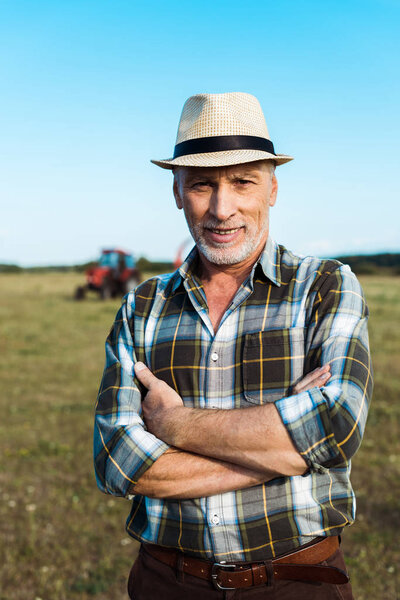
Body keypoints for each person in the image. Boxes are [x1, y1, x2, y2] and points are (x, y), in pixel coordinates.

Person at [94, 92, 372, 599]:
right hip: (167, 582)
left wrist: (172, 425)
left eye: (243, 182)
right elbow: (118, 463)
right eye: (202, 185)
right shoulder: (142, 305)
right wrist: (286, 444)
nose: (223, 209)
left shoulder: (325, 285)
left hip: (297, 582)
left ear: (272, 188)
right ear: (177, 192)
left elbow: (335, 430)